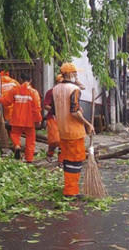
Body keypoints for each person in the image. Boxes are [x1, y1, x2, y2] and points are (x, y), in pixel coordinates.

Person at [51, 62, 95, 198]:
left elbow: (55, 109)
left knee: (67, 160)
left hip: (62, 130)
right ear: (70, 74)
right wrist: (88, 124)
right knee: (75, 161)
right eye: (75, 73)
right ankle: (71, 191)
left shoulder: (56, 89)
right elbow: (74, 111)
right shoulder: (73, 90)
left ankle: (70, 188)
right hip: (74, 131)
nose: (76, 75)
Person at [0, 72, 42, 162]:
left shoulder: (15, 91)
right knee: (30, 140)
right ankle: (29, 159)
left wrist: (0, 98)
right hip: (29, 121)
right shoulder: (34, 92)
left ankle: (17, 146)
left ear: (21, 79)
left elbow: (7, 102)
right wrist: (38, 120)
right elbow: (37, 108)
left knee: (14, 135)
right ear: (31, 80)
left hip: (17, 119)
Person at [43, 75, 63, 165]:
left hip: (64, 118)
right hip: (52, 117)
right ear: (56, 83)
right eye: (60, 82)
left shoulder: (66, 92)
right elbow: (45, 105)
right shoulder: (51, 92)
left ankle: (61, 160)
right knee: (54, 139)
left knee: (63, 140)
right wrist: (54, 110)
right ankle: (50, 154)